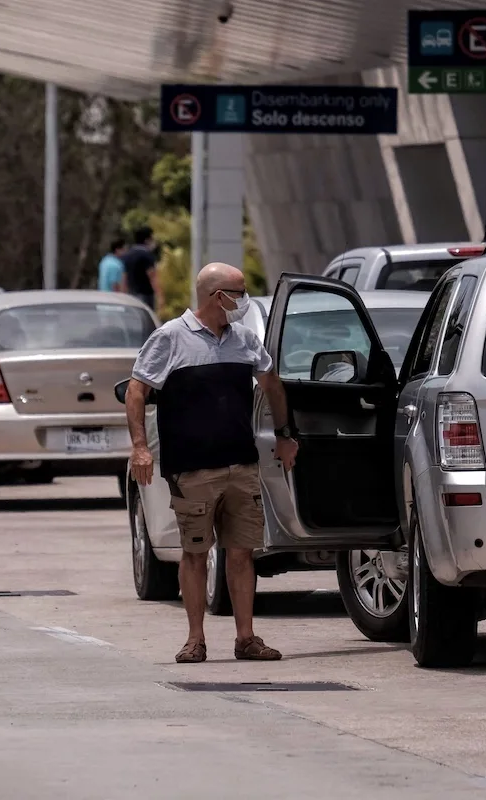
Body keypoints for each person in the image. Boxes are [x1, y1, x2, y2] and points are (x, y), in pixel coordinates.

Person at [125, 262, 299, 664]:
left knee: (241, 553)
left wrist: (286, 435)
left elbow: (272, 384)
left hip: (241, 465)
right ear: (216, 296)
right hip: (193, 470)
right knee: (195, 553)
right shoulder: (170, 337)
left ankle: (246, 638)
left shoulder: (245, 340)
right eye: (238, 292)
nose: (243, 300)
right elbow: (136, 391)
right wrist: (140, 447)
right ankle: (195, 639)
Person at [121, 226, 160, 310]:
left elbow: (124, 277)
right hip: (145, 295)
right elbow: (152, 277)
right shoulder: (146, 255)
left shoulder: (127, 255)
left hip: (131, 295)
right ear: (147, 240)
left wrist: (123, 294)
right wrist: (160, 296)